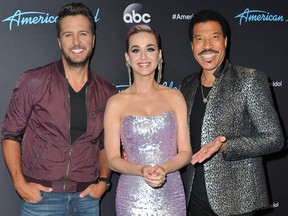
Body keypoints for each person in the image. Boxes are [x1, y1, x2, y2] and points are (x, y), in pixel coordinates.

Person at [1, 2, 116, 216]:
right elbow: (10, 135)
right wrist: (19, 182)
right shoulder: (33, 81)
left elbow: (105, 145)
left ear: (93, 39)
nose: (76, 42)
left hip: (87, 200)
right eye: (68, 35)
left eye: (82, 33)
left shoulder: (108, 92)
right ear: (59, 41)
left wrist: (103, 182)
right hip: (41, 199)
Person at [180, 9, 284, 216]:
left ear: (225, 42)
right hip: (195, 197)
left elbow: (275, 139)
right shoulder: (187, 84)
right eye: (199, 39)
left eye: (214, 37)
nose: (207, 45)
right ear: (192, 46)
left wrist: (228, 145)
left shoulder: (249, 79)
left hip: (238, 201)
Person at [104, 24, 192, 215]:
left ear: (159, 55)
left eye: (150, 49)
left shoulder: (175, 97)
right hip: (132, 198)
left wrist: (164, 168)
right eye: (136, 50)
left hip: (171, 192)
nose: (143, 57)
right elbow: (112, 160)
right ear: (127, 57)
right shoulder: (115, 103)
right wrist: (142, 169)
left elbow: (185, 152)